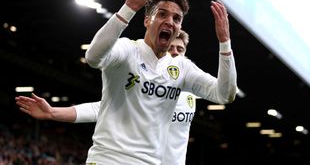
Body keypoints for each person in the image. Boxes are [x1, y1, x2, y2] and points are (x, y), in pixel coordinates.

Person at [18, 0, 237, 165]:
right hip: (109, 159)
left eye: (177, 18)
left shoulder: (182, 70)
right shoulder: (127, 51)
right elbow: (93, 57)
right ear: (146, 20)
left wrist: (224, 42)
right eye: (162, 14)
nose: (170, 21)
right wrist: (129, 7)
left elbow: (225, 94)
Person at [16, 30, 197, 165]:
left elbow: (224, 91)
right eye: (171, 47)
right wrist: (54, 113)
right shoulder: (146, 83)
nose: (174, 52)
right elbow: (102, 107)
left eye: (180, 49)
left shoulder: (193, 87)